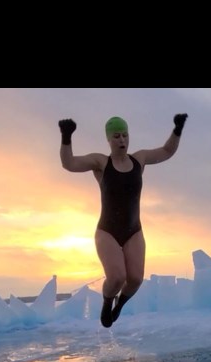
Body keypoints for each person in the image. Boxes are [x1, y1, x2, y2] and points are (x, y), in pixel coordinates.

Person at [59, 113, 187, 327]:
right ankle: (107, 300)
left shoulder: (140, 159)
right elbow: (69, 163)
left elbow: (167, 152)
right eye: (116, 136)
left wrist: (177, 129)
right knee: (117, 277)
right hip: (107, 230)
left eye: (125, 135)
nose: (122, 140)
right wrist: (66, 137)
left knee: (135, 279)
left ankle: (119, 304)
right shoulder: (101, 162)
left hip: (133, 230)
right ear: (109, 140)